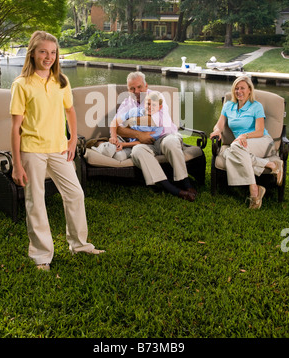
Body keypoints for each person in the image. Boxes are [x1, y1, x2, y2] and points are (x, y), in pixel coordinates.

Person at [10, 30, 104, 271]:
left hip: (60, 149)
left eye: (52, 52)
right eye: (43, 51)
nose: (48, 57)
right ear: (32, 54)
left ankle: (80, 244)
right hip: (32, 150)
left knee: (75, 194)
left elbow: (70, 111)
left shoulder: (61, 80)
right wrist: (18, 164)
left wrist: (72, 139)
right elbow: (15, 127)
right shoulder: (21, 84)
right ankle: (42, 256)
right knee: (36, 202)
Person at [109, 71, 197, 202]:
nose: (136, 91)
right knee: (137, 152)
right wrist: (136, 134)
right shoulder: (127, 103)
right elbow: (118, 127)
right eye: (132, 88)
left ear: (146, 86)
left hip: (165, 136)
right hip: (143, 143)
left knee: (170, 143)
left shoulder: (156, 97)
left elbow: (154, 121)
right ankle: (173, 189)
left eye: (139, 87)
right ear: (128, 90)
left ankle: (186, 184)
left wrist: (131, 122)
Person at [210, 76, 283, 210]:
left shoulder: (256, 106)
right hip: (241, 145)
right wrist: (217, 131)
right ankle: (268, 168)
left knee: (232, 149)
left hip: (262, 142)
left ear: (249, 90)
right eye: (236, 88)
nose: (239, 91)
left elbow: (260, 131)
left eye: (242, 88)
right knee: (229, 152)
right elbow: (219, 125)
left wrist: (245, 135)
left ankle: (254, 191)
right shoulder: (228, 105)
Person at [94, 90, 164, 161]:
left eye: (154, 105)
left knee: (119, 156)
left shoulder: (159, 125)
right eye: (148, 104)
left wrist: (123, 145)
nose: (150, 107)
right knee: (108, 149)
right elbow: (115, 122)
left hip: (135, 146)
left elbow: (145, 141)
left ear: (160, 107)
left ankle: (105, 146)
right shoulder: (134, 111)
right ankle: (99, 144)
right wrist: (114, 137)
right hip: (123, 138)